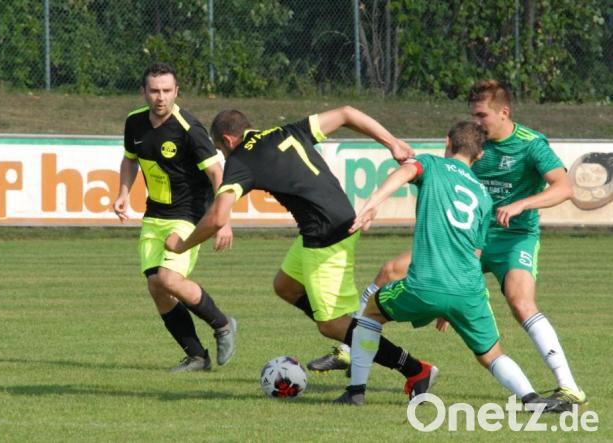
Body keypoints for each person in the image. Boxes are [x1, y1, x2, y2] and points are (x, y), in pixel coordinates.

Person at [165, 106, 438, 402]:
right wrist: (392, 143)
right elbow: (346, 113)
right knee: (285, 285)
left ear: (228, 140)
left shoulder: (241, 157)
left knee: (331, 325)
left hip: (327, 234)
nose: (224, 158)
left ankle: (414, 368)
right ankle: (351, 330)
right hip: (329, 223)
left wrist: (182, 245)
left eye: (221, 150)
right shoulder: (285, 131)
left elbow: (218, 217)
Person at [345, 80, 586, 405]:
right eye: (473, 115)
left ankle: (568, 385)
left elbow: (564, 187)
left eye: (482, 115)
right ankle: (348, 348)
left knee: (520, 302)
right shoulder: (476, 147)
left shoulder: (530, 144)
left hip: (514, 236)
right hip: (469, 236)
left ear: (504, 112)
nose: (477, 122)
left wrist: (521, 204)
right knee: (390, 269)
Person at [113, 62, 237, 372]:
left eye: (167, 91)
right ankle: (197, 356)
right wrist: (123, 193)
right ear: (144, 92)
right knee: (156, 286)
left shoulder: (189, 129)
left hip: (189, 214)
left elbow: (216, 172)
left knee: (169, 279)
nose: (160, 97)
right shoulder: (135, 123)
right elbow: (130, 161)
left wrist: (224, 219)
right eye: (154, 90)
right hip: (154, 215)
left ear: (176, 92)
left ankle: (222, 324)